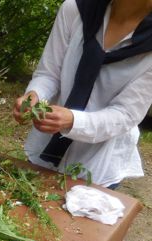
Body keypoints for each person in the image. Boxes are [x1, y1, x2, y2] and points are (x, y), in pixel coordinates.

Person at [13, 0, 152, 189]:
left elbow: (125, 114)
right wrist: (34, 95)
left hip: (98, 164)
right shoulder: (76, 10)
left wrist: (73, 121)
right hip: (44, 146)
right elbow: (49, 74)